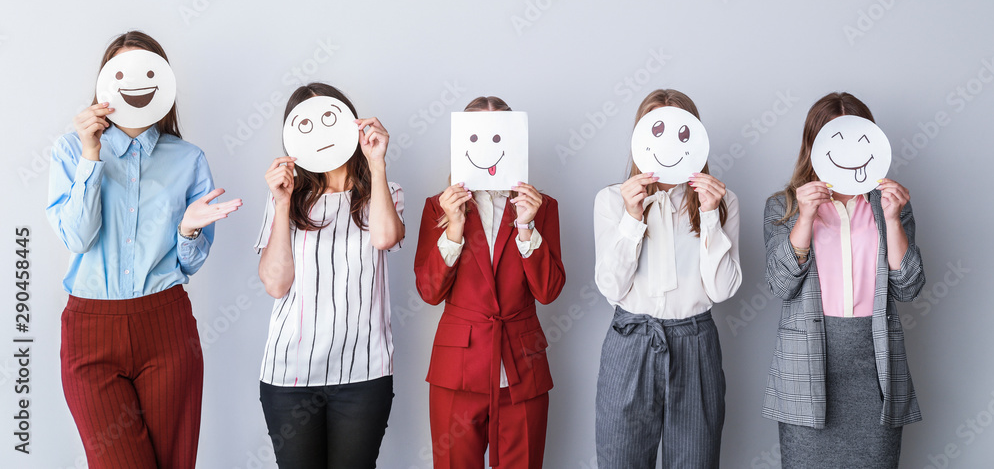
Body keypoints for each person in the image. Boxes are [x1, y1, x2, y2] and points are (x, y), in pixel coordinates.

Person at [46, 30, 241, 469]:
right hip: (91, 330)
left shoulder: (188, 159)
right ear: (105, 83)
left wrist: (189, 232)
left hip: (166, 327)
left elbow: (190, 262)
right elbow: (77, 237)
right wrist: (91, 154)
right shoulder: (70, 151)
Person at [762, 92, 924, 468]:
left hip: (875, 367)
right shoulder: (783, 206)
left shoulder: (890, 205)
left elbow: (909, 287)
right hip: (806, 368)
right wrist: (804, 218)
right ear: (814, 144)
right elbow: (780, 285)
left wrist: (895, 220)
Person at [254, 83, 404, 469]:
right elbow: (275, 283)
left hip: (364, 372)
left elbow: (386, 237)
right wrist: (284, 203)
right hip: (290, 374)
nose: (320, 133)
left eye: (328, 120)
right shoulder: (285, 199)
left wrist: (377, 162)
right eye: (306, 126)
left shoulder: (383, 191)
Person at [414, 95, 565, 469]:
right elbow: (430, 291)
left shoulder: (542, 206)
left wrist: (527, 226)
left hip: (523, 367)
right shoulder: (439, 206)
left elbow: (548, 292)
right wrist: (453, 226)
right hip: (457, 369)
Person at [594, 89, 741, 469]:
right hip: (631, 341)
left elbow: (722, 290)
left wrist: (710, 215)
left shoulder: (724, 202)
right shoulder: (611, 200)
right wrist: (631, 216)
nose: (668, 143)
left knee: (695, 461)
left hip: (694, 342)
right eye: (656, 130)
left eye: (680, 132)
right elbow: (612, 288)